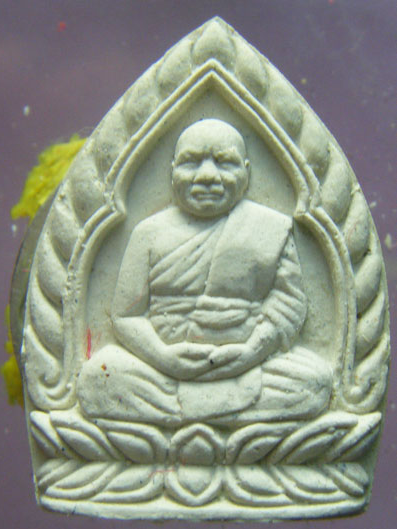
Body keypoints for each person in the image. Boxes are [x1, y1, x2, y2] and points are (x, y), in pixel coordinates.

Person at [77, 119, 332, 426]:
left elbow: (288, 305)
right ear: (172, 171)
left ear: (247, 173)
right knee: (98, 379)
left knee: (314, 381)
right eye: (191, 162)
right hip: (162, 371)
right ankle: (232, 428)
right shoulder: (149, 233)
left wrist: (252, 351)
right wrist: (163, 357)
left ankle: (172, 429)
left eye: (225, 163)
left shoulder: (269, 228)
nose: (208, 175)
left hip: (248, 366)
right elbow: (126, 316)